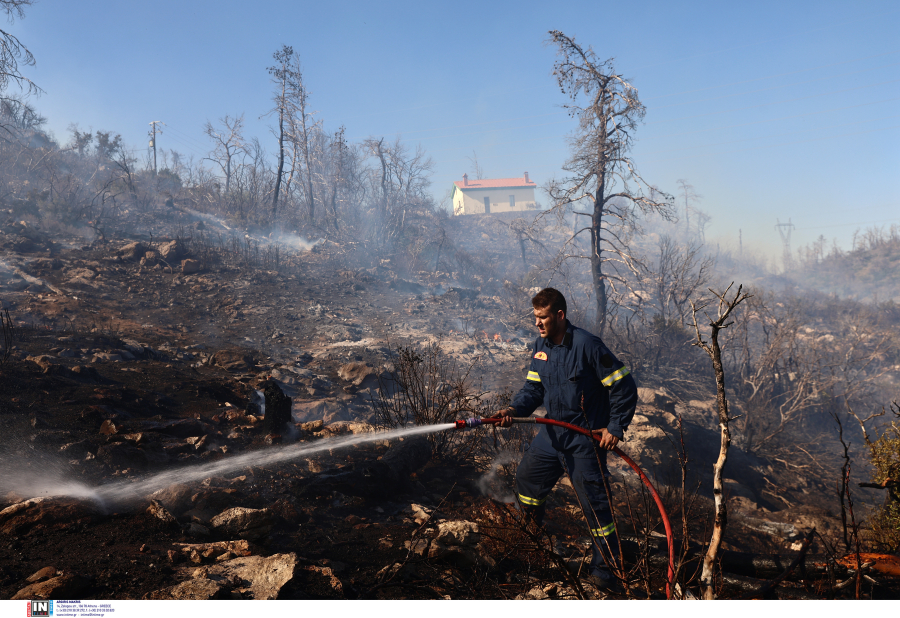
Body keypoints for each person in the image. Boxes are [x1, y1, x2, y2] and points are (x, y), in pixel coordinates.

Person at [494, 287, 637, 591]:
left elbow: (623, 386)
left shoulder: (587, 346)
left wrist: (615, 426)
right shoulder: (540, 347)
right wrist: (512, 409)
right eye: (535, 317)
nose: (537, 323)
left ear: (559, 315)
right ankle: (530, 542)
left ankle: (605, 575)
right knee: (527, 480)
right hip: (551, 435)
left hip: (584, 441)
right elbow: (532, 390)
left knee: (597, 508)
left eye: (542, 317)